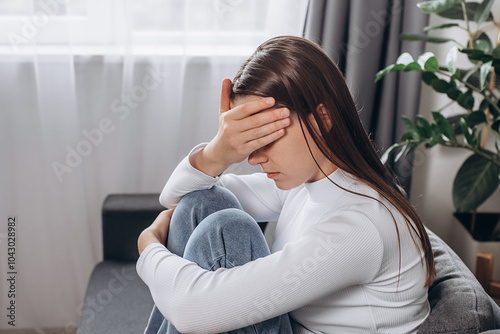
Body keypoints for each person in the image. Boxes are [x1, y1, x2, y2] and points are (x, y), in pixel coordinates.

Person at [137, 35, 435, 333]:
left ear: (321, 118)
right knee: (202, 202)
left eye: (268, 135)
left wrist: (148, 246)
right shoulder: (308, 182)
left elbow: (193, 312)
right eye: (250, 137)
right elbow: (179, 197)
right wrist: (218, 150)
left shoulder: (362, 224)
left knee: (227, 228)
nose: (253, 157)